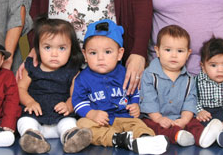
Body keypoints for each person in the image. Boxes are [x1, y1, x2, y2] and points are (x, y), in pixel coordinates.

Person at [72, 20, 169, 154]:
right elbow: (78, 102)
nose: (100, 58)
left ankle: (145, 139)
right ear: (85, 55)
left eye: (107, 52)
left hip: (125, 118)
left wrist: (135, 104)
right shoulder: (83, 78)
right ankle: (118, 139)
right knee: (82, 125)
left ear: (119, 54)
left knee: (139, 124)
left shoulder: (125, 73)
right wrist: (92, 113)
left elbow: (134, 91)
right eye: (93, 53)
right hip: (100, 123)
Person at [140, 25, 223, 148]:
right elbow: (148, 99)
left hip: (179, 117)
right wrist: (158, 118)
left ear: (188, 53)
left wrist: (184, 120)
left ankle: (203, 136)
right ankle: (177, 136)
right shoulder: (150, 74)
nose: (174, 55)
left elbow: (190, 101)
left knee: (194, 123)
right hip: (155, 118)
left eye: (180, 51)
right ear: (157, 51)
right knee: (150, 126)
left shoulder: (189, 79)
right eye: (168, 50)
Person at [17, 16, 91, 153]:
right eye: (47, 47)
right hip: (35, 118)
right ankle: (32, 138)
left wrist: (68, 106)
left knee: (69, 123)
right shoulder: (31, 67)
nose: (54, 54)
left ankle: (71, 137)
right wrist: (30, 102)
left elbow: (76, 95)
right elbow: (20, 88)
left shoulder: (72, 70)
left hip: (60, 119)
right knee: (24, 121)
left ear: (71, 49)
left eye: (62, 48)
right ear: (37, 48)